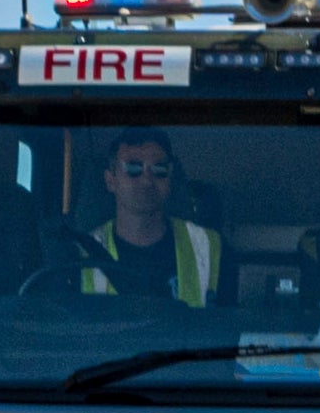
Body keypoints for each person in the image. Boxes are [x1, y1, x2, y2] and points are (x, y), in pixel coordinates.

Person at [78, 129, 222, 305]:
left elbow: (233, 324)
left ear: (169, 180)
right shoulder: (79, 254)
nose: (147, 181)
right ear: (110, 180)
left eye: (159, 169)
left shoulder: (208, 246)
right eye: (133, 168)